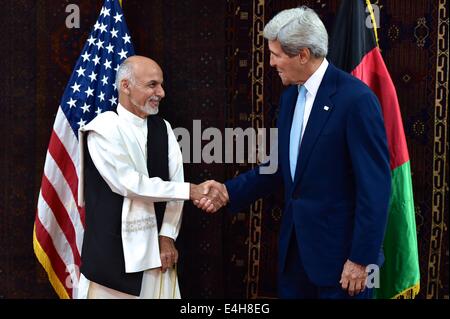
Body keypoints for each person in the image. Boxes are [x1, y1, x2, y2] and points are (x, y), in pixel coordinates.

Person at [196, 6, 391, 299]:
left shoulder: (356, 101)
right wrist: (228, 191)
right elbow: (279, 166)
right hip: (295, 260)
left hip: (343, 265)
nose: (271, 62)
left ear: (302, 54)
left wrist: (361, 259)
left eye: (276, 54)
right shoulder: (290, 99)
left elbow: (375, 189)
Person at [76, 56, 222, 299]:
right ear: (125, 86)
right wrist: (193, 191)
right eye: (152, 85)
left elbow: (175, 183)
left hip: (156, 256)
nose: (161, 92)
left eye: (161, 85)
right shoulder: (102, 130)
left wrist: (167, 236)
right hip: (111, 258)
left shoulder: (162, 128)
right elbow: (129, 184)